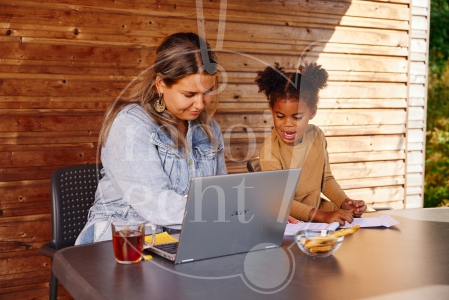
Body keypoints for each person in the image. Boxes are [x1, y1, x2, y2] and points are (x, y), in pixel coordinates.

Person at [75, 32, 227, 245]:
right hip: (120, 239)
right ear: (160, 85)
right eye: (189, 94)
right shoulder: (131, 125)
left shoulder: (209, 129)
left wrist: (252, 210)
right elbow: (157, 204)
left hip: (179, 238)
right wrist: (230, 210)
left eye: (207, 92)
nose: (200, 104)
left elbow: (220, 192)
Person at [255, 62, 366, 225]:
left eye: (297, 117)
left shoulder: (317, 136)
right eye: (280, 116)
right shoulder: (270, 151)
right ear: (271, 110)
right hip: (289, 224)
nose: (288, 124)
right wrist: (323, 216)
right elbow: (281, 201)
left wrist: (344, 201)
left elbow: (326, 179)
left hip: (317, 217)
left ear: (312, 112)